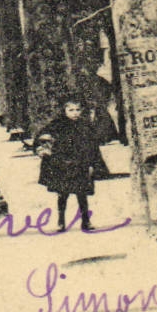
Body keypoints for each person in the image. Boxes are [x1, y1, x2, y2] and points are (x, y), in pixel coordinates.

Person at [36, 98, 105, 232]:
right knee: (63, 194)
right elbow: (42, 137)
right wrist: (45, 148)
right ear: (64, 111)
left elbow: (92, 145)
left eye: (77, 110)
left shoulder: (85, 126)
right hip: (63, 164)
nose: (75, 113)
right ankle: (61, 222)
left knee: (82, 194)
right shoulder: (57, 125)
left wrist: (93, 163)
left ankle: (86, 221)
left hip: (80, 163)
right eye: (71, 110)